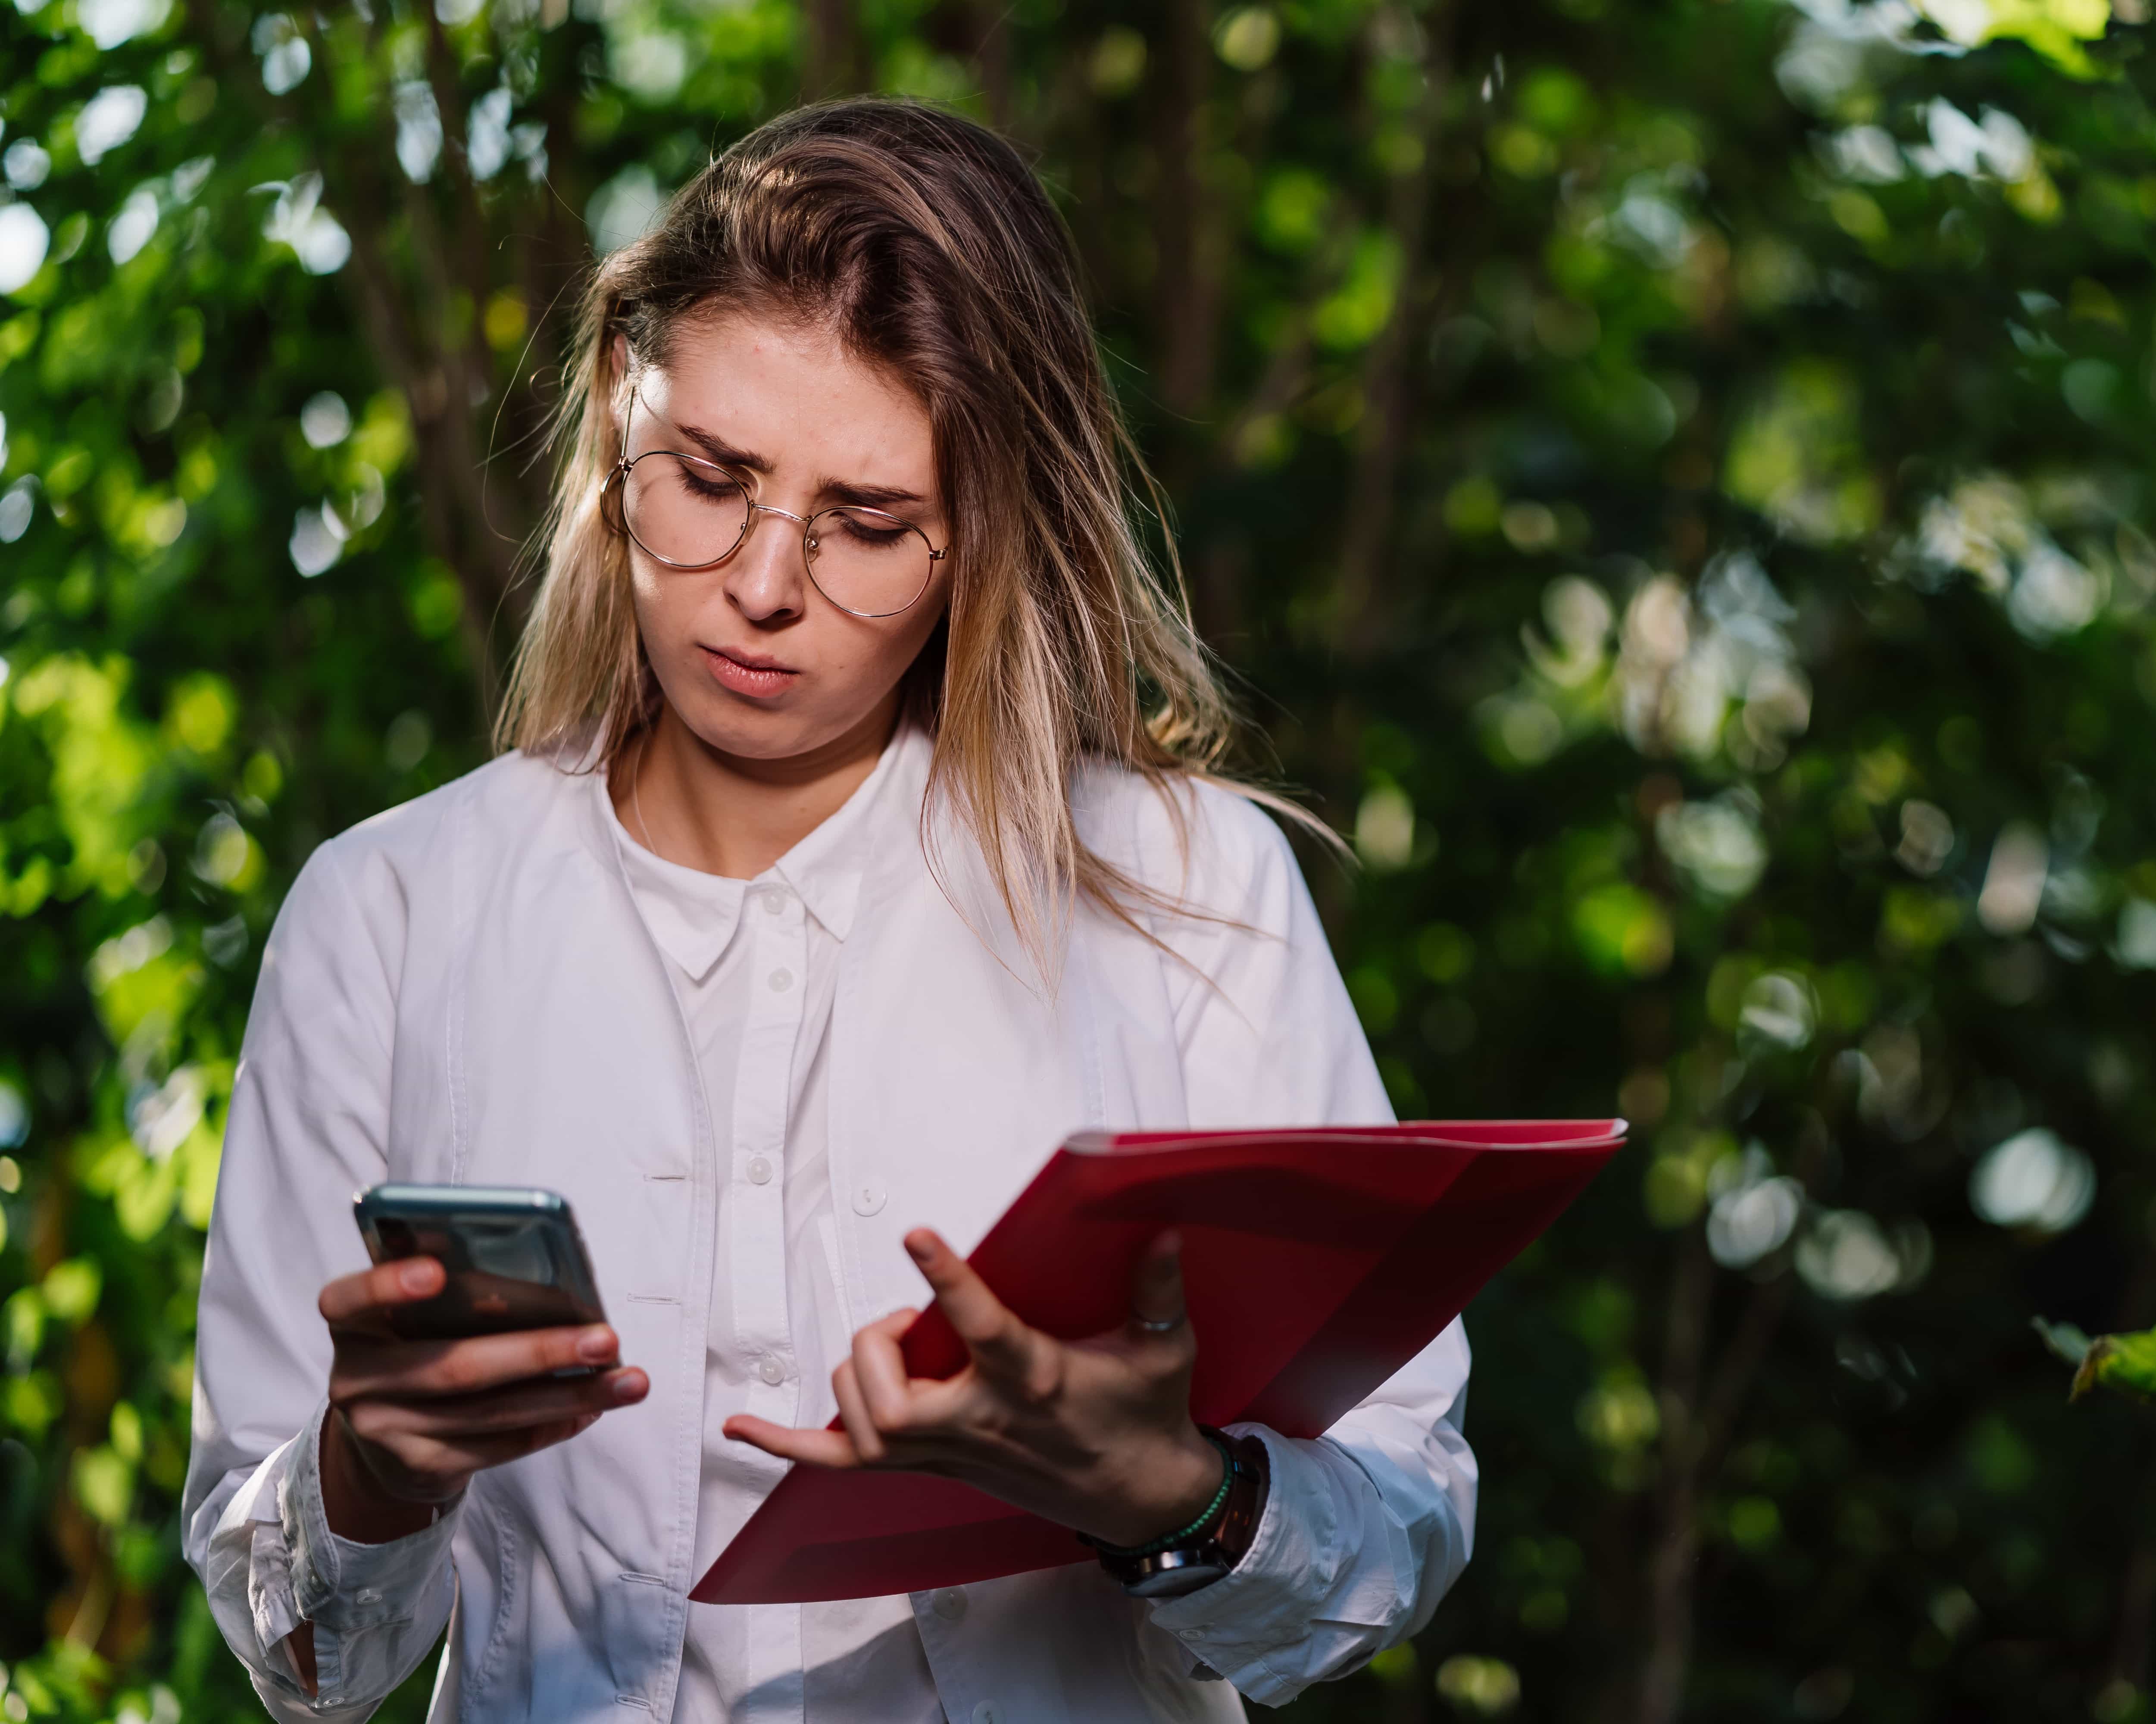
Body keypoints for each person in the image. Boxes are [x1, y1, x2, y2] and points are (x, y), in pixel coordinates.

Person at [181, 98, 1472, 1724]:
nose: (765, 584)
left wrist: (1184, 1496)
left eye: (869, 524)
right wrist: (368, 1469)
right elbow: (299, 1656)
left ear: (984, 538)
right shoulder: (389, 915)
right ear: (612, 417)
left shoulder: (1186, 890)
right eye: (708, 478)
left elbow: (1402, 1516)